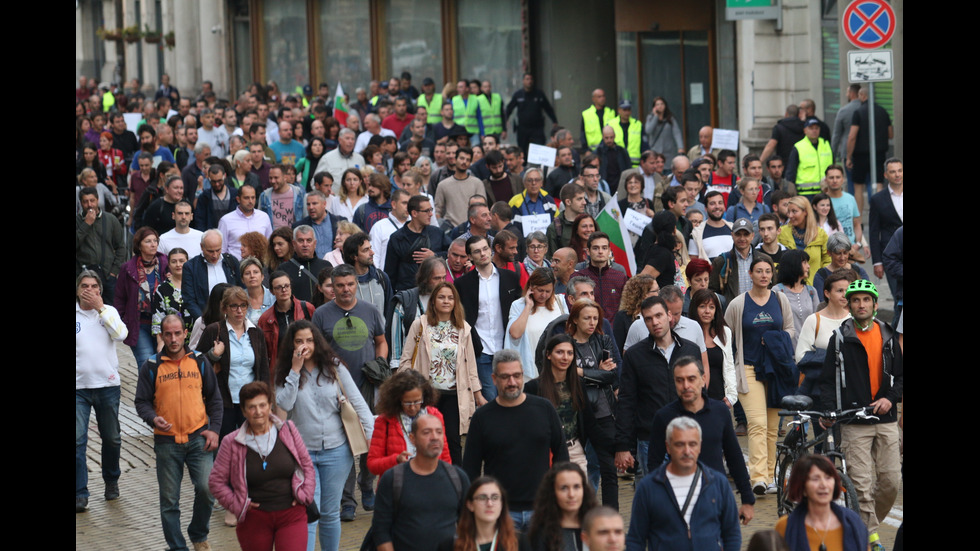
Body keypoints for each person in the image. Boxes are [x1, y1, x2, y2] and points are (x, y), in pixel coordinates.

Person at [274, 320, 375, 551]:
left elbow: (358, 403)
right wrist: (295, 370)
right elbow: (284, 403)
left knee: (330, 513)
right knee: (309, 511)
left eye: (309, 340)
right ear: (292, 345)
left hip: (337, 451)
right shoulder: (285, 371)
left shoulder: (334, 366)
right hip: (303, 453)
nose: (304, 345)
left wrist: (373, 439)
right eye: (299, 341)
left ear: (317, 342)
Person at [819, 280, 902, 551]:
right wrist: (830, 410)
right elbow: (828, 381)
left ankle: (860, 523)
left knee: (891, 481)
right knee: (862, 484)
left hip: (886, 419)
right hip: (854, 421)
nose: (861, 304)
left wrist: (890, 399)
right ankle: (872, 538)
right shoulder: (840, 337)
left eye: (866, 300)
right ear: (849, 304)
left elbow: (900, 378)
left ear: (875, 305)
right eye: (856, 300)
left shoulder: (888, 335)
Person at [135, 314, 223, 551]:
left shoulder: (200, 361)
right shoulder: (151, 366)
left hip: (199, 438)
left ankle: (198, 533)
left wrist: (214, 430)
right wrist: (152, 418)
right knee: (169, 500)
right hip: (167, 443)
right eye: (168, 334)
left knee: (207, 489)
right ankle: (177, 547)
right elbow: (141, 402)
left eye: (177, 333)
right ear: (162, 336)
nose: (173, 339)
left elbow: (215, 400)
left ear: (185, 333)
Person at [463, 350, 570, 532]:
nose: (512, 382)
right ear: (494, 378)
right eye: (505, 377)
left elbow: (562, 457)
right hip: (501, 512)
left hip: (542, 509)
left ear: (523, 375)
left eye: (517, 376)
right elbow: (470, 469)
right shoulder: (482, 418)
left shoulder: (544, 409)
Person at [208, 381, 316, 551]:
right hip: (254, 519)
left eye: (262, 405)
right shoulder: (231, 442)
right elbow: (215, 482)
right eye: (251, 407)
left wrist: (306, 495)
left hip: (291, 514)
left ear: (270, 406)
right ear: (243, 411)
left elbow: (307, 466)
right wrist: (237, 504)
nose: (258, 412)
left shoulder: (287, 430)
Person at [647, 357, 754, 524]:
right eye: (680, 380)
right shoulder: (664, 417)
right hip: (677, 500)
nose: (686, 386)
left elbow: (734, 456)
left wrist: (747, 500)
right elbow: (654, 464)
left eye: (691, 379)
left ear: (703, 379)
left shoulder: (720, 412)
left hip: (715, 497)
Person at [723, 254, 795, 495]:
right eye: (759, 271)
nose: (764, 275)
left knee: (773, 428)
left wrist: (776, 341)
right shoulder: (738, 304)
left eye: (767, 271)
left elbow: (790, 330)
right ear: (750, 275)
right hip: (749, 369)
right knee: (757, 424)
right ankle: (758, 478)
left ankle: (771, 474)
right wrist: (729, 368)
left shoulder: (781, 300)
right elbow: (725, 336)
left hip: (776, 371)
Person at [614, 296, 701, 479]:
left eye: (659, 315)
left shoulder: (690, 350)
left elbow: (700, 394)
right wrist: (623, 446)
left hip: (688, 435)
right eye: (648, 318)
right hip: (651, 439)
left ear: (669, 315)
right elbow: (627, 401)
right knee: (656, 496)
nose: (655, 322)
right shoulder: (635, 355)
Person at [528, 334, 617, 509]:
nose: (565, 357)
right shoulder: (533, 388)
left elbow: (591, 425)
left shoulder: (578, 384)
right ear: (548, 355)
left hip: (575, 450)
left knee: (580, 507)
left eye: (569, 353)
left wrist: (619, 446)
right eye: (560, 352)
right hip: (547, 455)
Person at [626, 417, 741, 551]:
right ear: (668, 447)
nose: (687, 451)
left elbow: (732, 533)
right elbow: (635, 539)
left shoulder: (718, 483)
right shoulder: (649, 487)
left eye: (692, 444)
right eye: (679, 444)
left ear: (700, 446)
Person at [372, 413, 471, 551]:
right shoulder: (393, 479)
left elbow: (469, 528)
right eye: (426, 432)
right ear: (412, 438)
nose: (435, 437)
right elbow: (381, 531)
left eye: (439, 432)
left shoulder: (458, 478)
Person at [76, 271, 127, 513]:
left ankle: (111, 480)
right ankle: (80, 492)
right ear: (77, 290)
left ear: (100, 290)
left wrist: (101, 310)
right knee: (77, 441)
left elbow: (121, 335)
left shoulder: (109, 311)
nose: (89, 290)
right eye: (84, 286)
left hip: (107, 386)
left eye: (94, 286)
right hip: (79, 389)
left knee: (112, 438)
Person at [454, 235, 523, 401]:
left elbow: (517, 309)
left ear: (491, 250)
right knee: (490, 397)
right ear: (470, 257)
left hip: (507, 346)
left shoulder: (510, 278)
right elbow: (462, 317)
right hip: (481, 348)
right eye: (477, 251)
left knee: (512, 394)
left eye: (485, 249)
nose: (483, 254)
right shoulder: (462, 284)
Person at [367, 370, 452, 477]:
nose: (412, 407)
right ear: (397, 400)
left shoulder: (435, 416)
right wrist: (395, 460)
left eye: (417, 402)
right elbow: (372, 465)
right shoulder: (385, 421)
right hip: (397, 486)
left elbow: (444, 456)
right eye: (407, 403)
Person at [775, 455, 868, 551]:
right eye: (815, 479)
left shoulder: (853, 523)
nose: (823, 485)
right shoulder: (786, 526)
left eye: (828, 478)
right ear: (802, 487)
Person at [115, 226, 169, 369]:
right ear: (139, 245)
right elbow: (120, 298)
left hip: (163, 323)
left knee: (163, 362)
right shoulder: (128, 268)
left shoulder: (165, 263)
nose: (153, 244)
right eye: (148, 241)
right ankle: (146, 391)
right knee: (146, 362)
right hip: (139, 324)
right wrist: (120, 321)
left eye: (155, 241)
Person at [506, 268, 569, 378]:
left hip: (556, 367)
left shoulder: (560, 302)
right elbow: (515, 334)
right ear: (531, 287)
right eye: (540, 290)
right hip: (530, 369)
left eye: (548, 291)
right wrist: (528, 306)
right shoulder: (518, 305)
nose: (544, 295)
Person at [438, 477, 528, 551]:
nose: (489, 503)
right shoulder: (450, 546)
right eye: (482, 498)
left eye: (495, 497)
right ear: (470, 504)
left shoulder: (520, 543)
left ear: (502, 504)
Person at [527, 462, 599, 551]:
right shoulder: (542, 533)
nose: (571, 494)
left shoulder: (597, 525)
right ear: (552, 492)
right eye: (564, 488)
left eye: (576, 487)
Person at [76, 186, 127, 303]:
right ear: (81, 203)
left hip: (108, 276)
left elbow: (120, 247)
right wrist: (86, 224)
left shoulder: (110, 219)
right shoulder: (78, 221)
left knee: (109, 311)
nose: (89, 205)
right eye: (85, 201)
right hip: (83, 277)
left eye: (92, 200)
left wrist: (114, 271)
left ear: (98, 200)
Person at [687, 290, 737, 406]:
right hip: (694, 397)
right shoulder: (688, 333)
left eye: (711, 307)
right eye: (702, 306)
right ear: (695, 309)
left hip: (719, 398)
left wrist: (731, 397)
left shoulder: (724, 332)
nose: (707, 311)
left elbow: (729, 366)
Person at [778, 196, 831, 286]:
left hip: (815, 288)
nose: (790, 216)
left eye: (794, 211)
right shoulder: (781, 233)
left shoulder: (820, 234)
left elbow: (828, 260)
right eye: (789, 212)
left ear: (805, 212)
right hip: (790, 288)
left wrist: (822, 281)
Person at [772, 249, 819, 348]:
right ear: (794, 264)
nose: (808, 266)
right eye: (804, 262)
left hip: (810, 351)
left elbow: (818, 321)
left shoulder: (811, 291)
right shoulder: (777, 291)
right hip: (787, 350)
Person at [504, 73, 559, 156]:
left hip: (537, 127)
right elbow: (509, 109)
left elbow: (548, 108)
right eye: (527, 79)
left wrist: (554, 121)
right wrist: (506, 120)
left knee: (540, 147)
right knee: (522, 149)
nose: (529, 81)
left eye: (531, 79)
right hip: (523, 128)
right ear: (523, 81)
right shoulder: (518, 95)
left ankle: (539, 166)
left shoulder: (539, 94)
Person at [786, 118, 833, 197]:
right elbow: (791, 171)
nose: (814, 131)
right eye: (811, 128)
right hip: (806, 193)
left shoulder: (826, 145)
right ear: (805, 130)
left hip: (825, 191)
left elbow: (833, 166)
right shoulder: (799, 147)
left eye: (816, 128)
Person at [613, 275, 658, 356]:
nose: (659, 294)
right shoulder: (622, 317)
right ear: (644, 294)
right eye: (656, 291)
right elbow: (617, 350)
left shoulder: (660, 314)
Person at [645, 97, 684, 166]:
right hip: (655, 151)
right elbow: (648, 130)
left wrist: (680, 147)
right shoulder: (650, 117)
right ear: (654, 107)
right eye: (657, 104)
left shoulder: (670, 118)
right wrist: (655, 116)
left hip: (668, 152)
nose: (660, 106)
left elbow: (677, 133)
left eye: (662, 104)